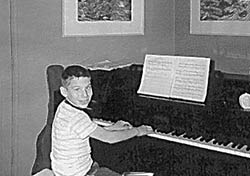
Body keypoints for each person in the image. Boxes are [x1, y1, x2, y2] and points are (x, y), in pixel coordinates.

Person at [50, 65, 153, 176]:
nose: (84, 95)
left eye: (88, 87)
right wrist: (138, 131)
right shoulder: (76, 117)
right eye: (77, 89)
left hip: (70, 170)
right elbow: (110, 138)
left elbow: (88, 130)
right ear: (64, 92)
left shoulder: (64, 107)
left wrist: (112, 128)